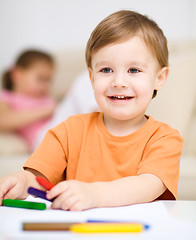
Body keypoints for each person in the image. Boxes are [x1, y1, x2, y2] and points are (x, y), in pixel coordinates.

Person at [0, 10, 183, 211]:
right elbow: (37, 178)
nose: (118, 82)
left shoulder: (165, 138)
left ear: (160, 78)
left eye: (134, 70)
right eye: (106, 70)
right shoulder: (69, 130)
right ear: (92, 77)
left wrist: (93, 194)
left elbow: (148, 185)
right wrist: (22, 182)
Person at [0, 50, 56, 150]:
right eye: (41, 79)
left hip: (63, 126)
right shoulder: (7, 97)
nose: (45, 86)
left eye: (49, 80)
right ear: (16, 74)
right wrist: (45, 111)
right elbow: (3, 120)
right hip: (44, 137)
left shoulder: (46, 97)